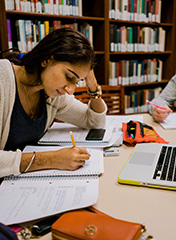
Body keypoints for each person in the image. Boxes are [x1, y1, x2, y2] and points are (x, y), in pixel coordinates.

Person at [0, 28, 107, 178]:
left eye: (77, 81)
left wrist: (93, 86)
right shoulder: (2, 79)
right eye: (69, 77)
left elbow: (95, 122)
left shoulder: (53, 95)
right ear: (46, 59)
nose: (71, 90)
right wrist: (52, 159)